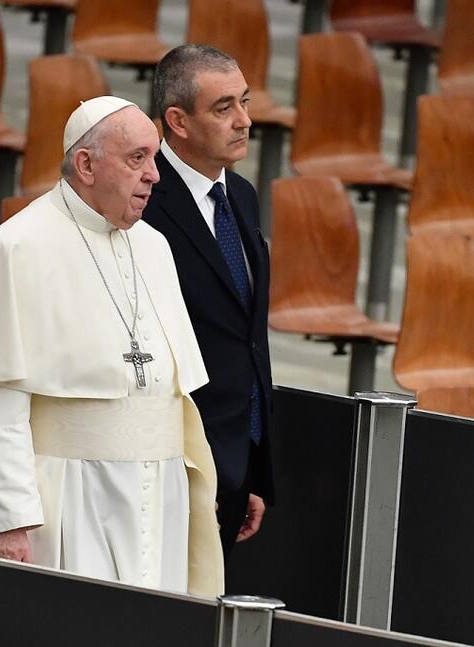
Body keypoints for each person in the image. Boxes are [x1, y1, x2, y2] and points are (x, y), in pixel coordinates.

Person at [0, 96, 224, 596]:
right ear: (86, 164)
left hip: (161, 498)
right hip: (71, 497)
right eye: (137, 159)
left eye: (155, 158)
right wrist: (7, 520)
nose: (154, 175)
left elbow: (172, 392)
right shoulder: (14, 249)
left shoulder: (154, 246)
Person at [144, 44, 274, 558]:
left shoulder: (240, 194)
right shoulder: (141, 200)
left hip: (234, 461)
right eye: (224, 108)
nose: (243, 120)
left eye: (244, 102)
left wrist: (253, 466)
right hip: (173, 462)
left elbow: (248, 338)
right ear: (177, 120)